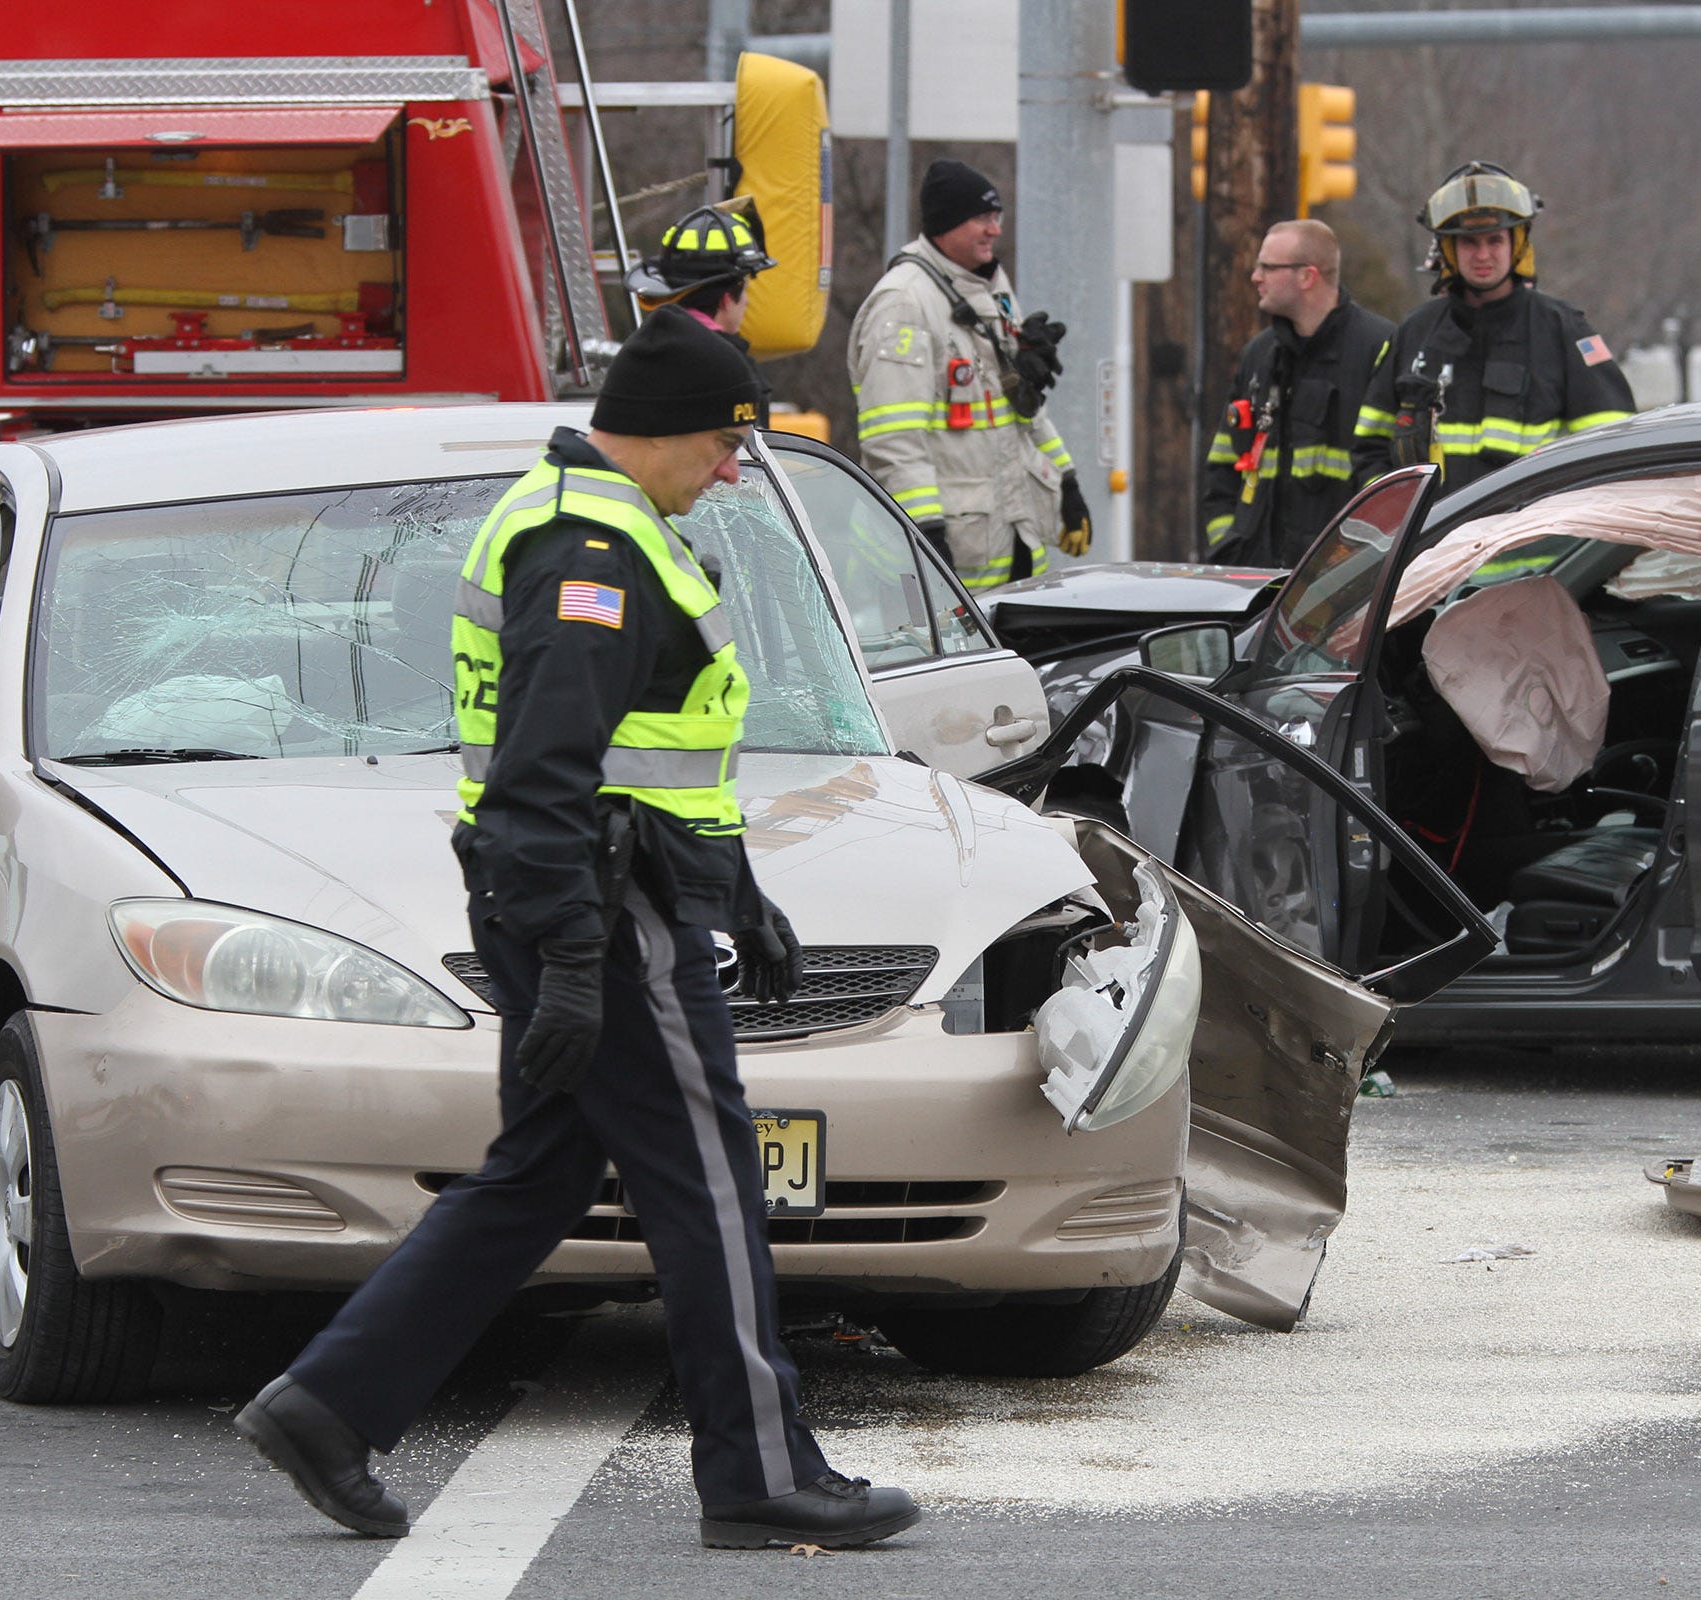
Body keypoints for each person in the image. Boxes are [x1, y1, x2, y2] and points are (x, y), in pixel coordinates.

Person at [234, 310, 920, 1553]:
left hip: (596, 898)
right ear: (659, 433)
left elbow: (641, 763)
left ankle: (327, 1406)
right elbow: (546, 776)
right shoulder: (589, 550)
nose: (728, 469)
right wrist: (568, 961)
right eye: (721, 444)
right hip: (602, 915)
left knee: (539, 1175)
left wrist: (736, 887)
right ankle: (759, 1471)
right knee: (711, 1181)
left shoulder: (585, 523)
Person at [847, 158, 1090, 590]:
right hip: (940, 574)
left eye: (996, 217)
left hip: (1009, 549)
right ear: (946, 224)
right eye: (982, 218)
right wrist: (924, 537)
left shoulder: (990, 289)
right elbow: (894, 442)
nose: (995, 230)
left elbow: (1021, 408)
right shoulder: (904, 304)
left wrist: (1067, 481)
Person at [1352, 162, 1634, 495]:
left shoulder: (1563, 332)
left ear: (1516, 244)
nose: (1483, 254)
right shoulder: (1415, 333)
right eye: (1469, 242)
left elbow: (1612, 451)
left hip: (1530, 545)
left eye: (1495, 240)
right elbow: (1369, 449)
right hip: (1434, 546)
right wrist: (1399, 520)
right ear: (1449, 250)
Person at [1201, 218, 1393, 567]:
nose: (1255, 276)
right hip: (1257, 585)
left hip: (1342, 585)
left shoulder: (1378, 350)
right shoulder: (1259, 357)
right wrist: (1231, 547)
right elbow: (1222, 469)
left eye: (1268, 267)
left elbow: (1393, 481)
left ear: (1307, 276)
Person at [636, 198, 776, 392]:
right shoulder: (735, 368)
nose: (746, 302)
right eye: (744, 291)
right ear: (726, 299)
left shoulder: (635, 355)